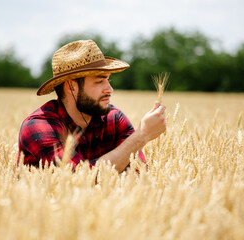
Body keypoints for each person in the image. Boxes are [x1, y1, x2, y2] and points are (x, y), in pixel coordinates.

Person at [18, 40, 166, 172]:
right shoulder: (38, 125)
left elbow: (138, 174)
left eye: (108, 80)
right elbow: (79, 177)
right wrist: (141, 136)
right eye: (99, 81)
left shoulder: (114, 118)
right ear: (71, 86)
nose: (110, 89)